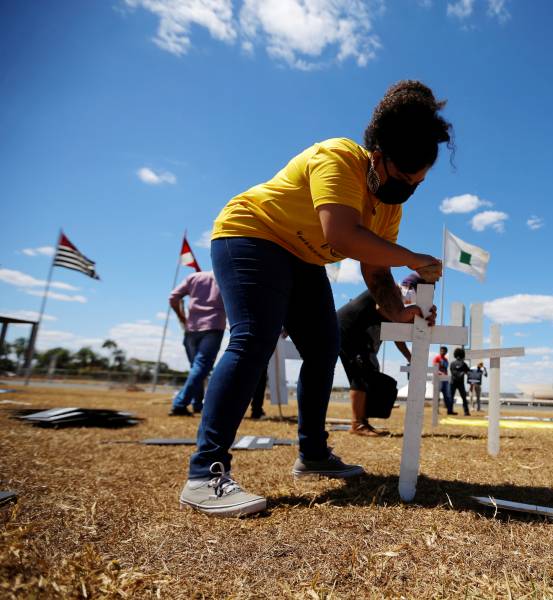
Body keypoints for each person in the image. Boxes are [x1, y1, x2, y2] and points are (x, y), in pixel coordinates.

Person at [178, 80, 452, 517]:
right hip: (251, 235)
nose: (407, 190)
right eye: (403, 178)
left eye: (417, 184)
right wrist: (414, 259)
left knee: (325, 348)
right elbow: (341, 235)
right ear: (377, 155)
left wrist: (399, 310)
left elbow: (375, 268)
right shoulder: (339, 157)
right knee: (254, 339)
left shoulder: (389, 204)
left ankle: (313, 454)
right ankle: (204, 473)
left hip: (303, 258)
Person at [337, 283, 413, 436]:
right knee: (360, 376)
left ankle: (362, 422)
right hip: (349, 331)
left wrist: (409, 356)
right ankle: (357, 424)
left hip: (357, 336)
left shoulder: (395, 304)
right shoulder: (392, 289)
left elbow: (397, 334)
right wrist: (407, 315)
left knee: (368, 374)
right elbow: (381, 308)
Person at [168, 271, 226, 416]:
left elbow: (173, 297)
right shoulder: (224, 276)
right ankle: (180, 403)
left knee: (197, 368)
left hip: (192, 327)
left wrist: (182, 317)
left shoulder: (194, 277)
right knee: (201, 367)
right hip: (214, 326)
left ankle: (197, 404)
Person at [449, 347, 470, 416]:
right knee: (463, 397)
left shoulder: (452, 363)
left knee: (452, 397)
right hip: (459, 383)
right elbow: (468, 372)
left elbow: (453, 372)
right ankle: (466, 412)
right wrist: (463, 373)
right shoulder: (463, 364)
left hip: (454, 382)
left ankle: (450, 411)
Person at [432, 346, 454, 415]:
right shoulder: (437, 358)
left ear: (446, 352)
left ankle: (449, 411)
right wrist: (440, 373)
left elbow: (446, 369)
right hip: (438, 378)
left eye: (444, 351)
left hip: (445, 379)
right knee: (436, 395)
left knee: (448, 395)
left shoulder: (446, 360)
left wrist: (447, 376)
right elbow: (434, 368)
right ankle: (436, 411)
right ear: (440, 351)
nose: (443, 352)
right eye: (442, 350)